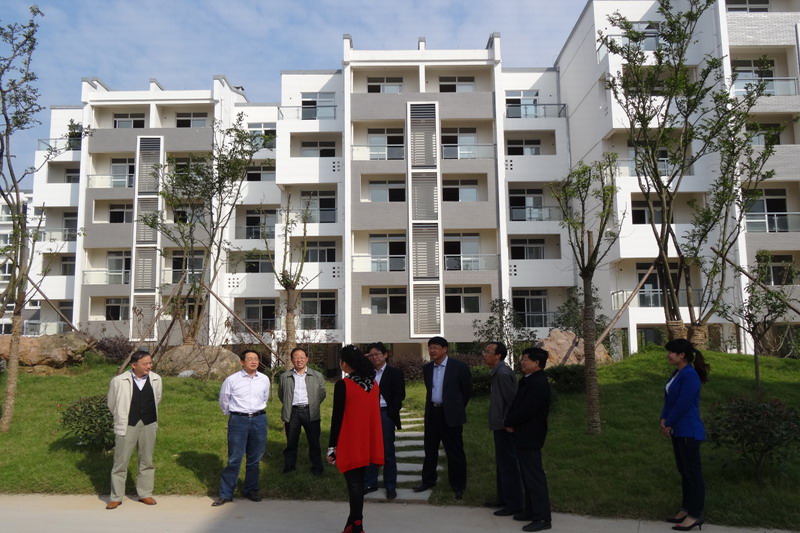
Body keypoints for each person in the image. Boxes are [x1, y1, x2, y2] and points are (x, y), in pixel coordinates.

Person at [328, 345, 384, 533]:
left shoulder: (343, 385)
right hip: (369, 441)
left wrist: (331, 447)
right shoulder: (374, 385)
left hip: (351, 441)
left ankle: (357, 525)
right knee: (357, 483)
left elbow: (336, 418)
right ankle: (352, 525)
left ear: (344, 364)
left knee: (354, 484)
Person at [413, 336, 473, 499]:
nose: (432, 350)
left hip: (451, 415)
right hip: (433, 413)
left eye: (435, 347)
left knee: (454, 451)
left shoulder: (459, 367)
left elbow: (467, 391)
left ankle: (458, 485)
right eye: (430, 347)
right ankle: (428, 481)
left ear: (445, 349)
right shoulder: (428, 368)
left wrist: (456, 408)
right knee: (430, 450)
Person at [661, 338, 710, 532]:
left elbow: (683, 403)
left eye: (671, 352)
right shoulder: (677, 373)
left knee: (693, 474)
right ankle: (685, 509)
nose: (668, 355)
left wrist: (668, 422)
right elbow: (670, 400)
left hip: (689, 430)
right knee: (684, 472)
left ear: (682, 355)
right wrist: (663, 418)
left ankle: (695, 515)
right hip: (678, 430)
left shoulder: (690, 375)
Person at [212, 350, 270, 507]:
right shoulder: (232, 380)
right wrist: (235, 414)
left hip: (259, 419)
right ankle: (226, 494)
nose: (254, 361)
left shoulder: (264, 379)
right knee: (234, 458)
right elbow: (224, 400)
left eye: (256, 358)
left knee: (255, 458)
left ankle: (251, 490)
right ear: (242, 362)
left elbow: (264, 397)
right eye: (250, 359)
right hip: (238, 420)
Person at [106, 350, 162, 510]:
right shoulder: (119, 381)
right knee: (121, 461)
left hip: (149, 423)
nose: (149, 366)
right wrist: (123, 416)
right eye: (145, 364)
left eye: (150, 363)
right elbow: (112, 404)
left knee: (147, 460)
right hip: (128, 424)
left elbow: (157, 399)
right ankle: (116, 497)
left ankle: (145, 493)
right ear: (134, 365)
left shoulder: (156, 379)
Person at [504, 347, 552, 532]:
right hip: (523, 434)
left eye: (525, 359)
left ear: (537, 363)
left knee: (534, 476)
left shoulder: (538, 383)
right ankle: (531, 510)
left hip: (531, 435)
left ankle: (542, 518)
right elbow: (519, 405)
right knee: (526, 475)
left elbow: (527, 409)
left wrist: (510, 421)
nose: (522, 362)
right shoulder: (529, 380)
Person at [483, 342, 523, 516]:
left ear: (498, 355)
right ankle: (503, 498)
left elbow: (513, 401)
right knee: (502, 464)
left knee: (509, 465)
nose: (484, 354)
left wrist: (510, 423)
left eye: (488, 351)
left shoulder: (503, 373)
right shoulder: (497, 372)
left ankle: (514, 504)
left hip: (506, 427)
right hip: (500, 425)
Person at [364, 342, 406, 500]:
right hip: (369, 414)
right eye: (371, 355)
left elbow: (400, 394)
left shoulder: (395, 373)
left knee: (387, 450)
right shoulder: (366, 373)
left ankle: (390, 485)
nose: (374, 357)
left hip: (385, 413)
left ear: (385, 355)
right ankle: (370, 482)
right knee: (370, 449)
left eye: (377, 354)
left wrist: (392, 411)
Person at [279, 346, 327, 475]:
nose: (299, 360)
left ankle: (317, 468)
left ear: (307, 359)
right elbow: (282, 394)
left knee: (314, 441)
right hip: (292, 412)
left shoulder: (316, 375)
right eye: (296, 357)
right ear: (292, 360)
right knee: (291, 442)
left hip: (310, 411)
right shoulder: (285, 376)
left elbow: (322, 393)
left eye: (302, 357)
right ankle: (289, 468)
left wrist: (313, 404)